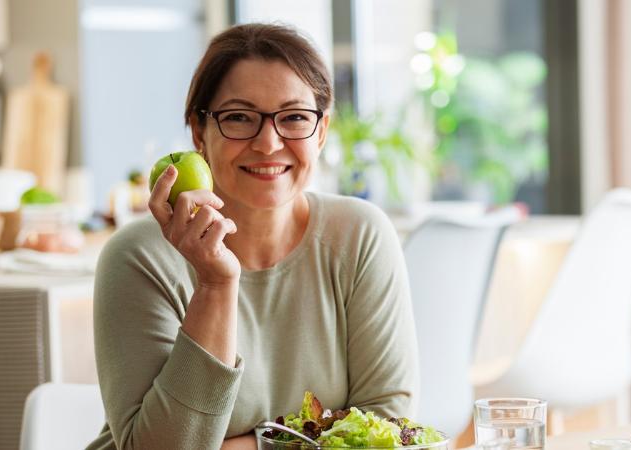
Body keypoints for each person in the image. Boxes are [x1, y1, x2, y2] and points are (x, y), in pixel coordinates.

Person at [87, 23, 418, 450]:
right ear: (198, 132)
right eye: (239, 117)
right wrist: (216, 284)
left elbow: (387, 429)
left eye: (295, 117)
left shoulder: (359, 236)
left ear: (321, 131)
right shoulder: (137, 257)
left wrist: (246, 445)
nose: (267, 143)